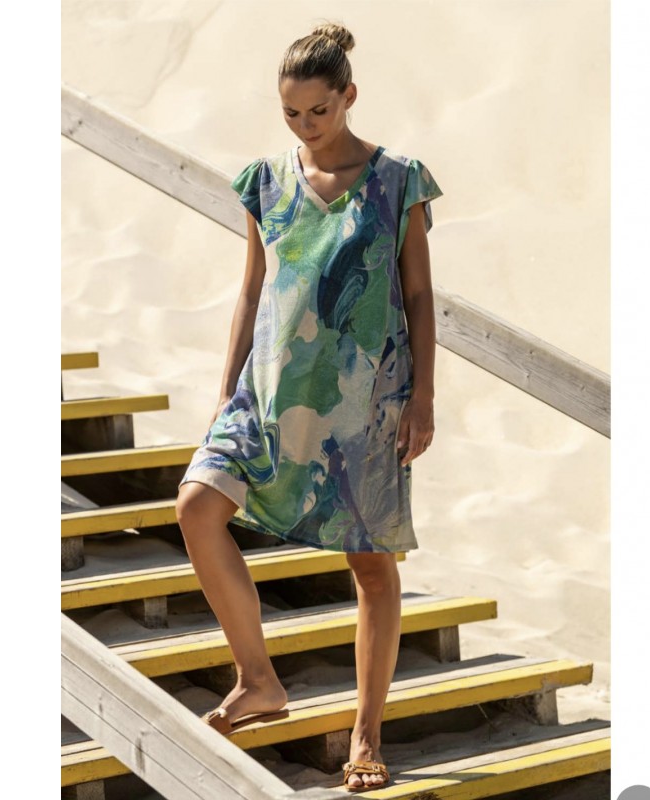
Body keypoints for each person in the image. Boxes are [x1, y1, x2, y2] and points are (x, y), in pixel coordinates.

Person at [175, 21, 443, 792]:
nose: (304, 126)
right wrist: (225, 389)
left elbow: (419, 295)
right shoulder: (264, 181)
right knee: (196, 505)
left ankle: (365, 737)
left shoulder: (397, 182)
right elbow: (252, 288)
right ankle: (257, 679)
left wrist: (424, 396)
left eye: (317, 111)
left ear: (348, 96)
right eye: (291, 113)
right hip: (266, 392)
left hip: (366, 400)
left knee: (371, 567)